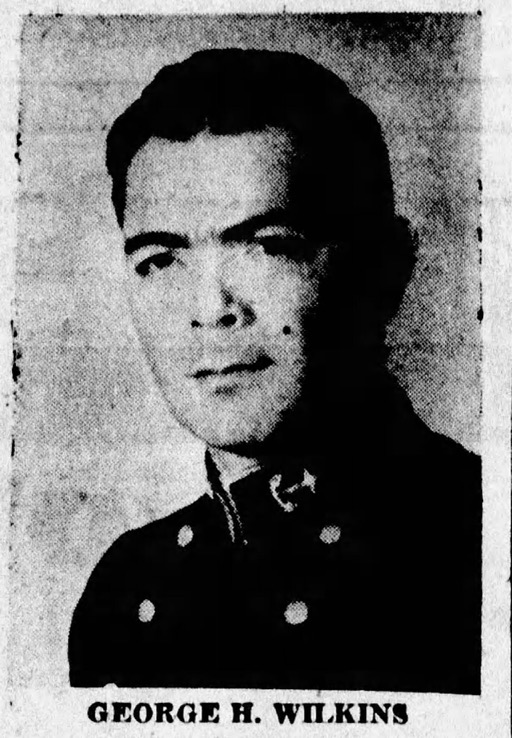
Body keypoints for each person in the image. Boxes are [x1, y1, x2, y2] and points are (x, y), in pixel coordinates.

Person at [68, 48, 481, 692]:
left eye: (268, 247)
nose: (210, 310)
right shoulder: (126, 591)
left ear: (383, 270)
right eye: (161, 260)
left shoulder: (476, 544)